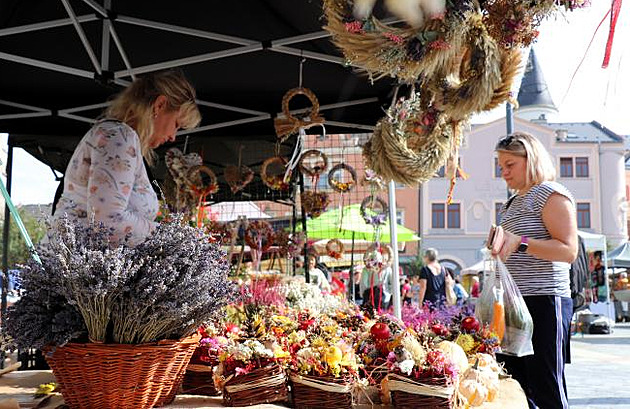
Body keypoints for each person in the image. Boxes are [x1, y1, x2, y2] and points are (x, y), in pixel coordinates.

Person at [52, 70, 201, 245]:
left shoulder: (117, 136)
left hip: (76, 261)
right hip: (75, 264)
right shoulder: (119, 137)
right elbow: (108, 221)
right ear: (160, 105)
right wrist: (173, 238)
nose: (173, 137)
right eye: (176, 124)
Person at [492, 131, 578, 409]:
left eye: (510, 165)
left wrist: (521, 243)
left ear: (531, 160)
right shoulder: (512, 202)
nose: (503, 172)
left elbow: (568, 250)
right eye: (501, 165)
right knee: (516, 385)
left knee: (546, 385)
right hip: (514, 304)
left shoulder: (551, 194)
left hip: (544, 300)